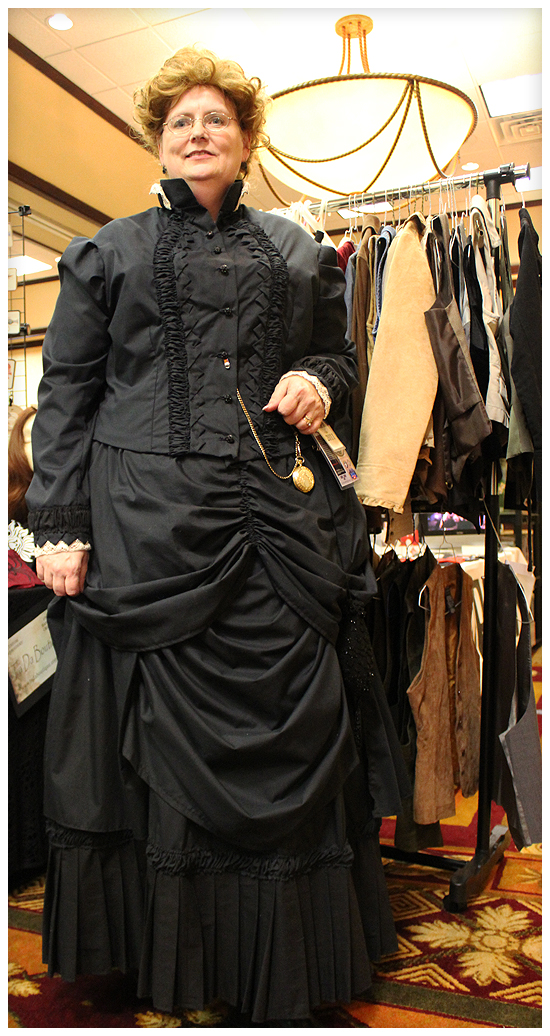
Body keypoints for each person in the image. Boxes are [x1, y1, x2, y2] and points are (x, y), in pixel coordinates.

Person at [26, 47, 403, 1024]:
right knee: (143, 739)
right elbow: (65, 392)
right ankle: (165, 959)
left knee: (297, 717)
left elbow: (337, 356)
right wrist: (58, 523)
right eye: (180, 121)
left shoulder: (301, 250)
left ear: (245, 139)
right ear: (158, 140)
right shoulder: (106, 253)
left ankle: (279, 964)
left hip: (276, 521)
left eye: (217, 120)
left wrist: (318, 382)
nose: (198, 133)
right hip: (140, 529)